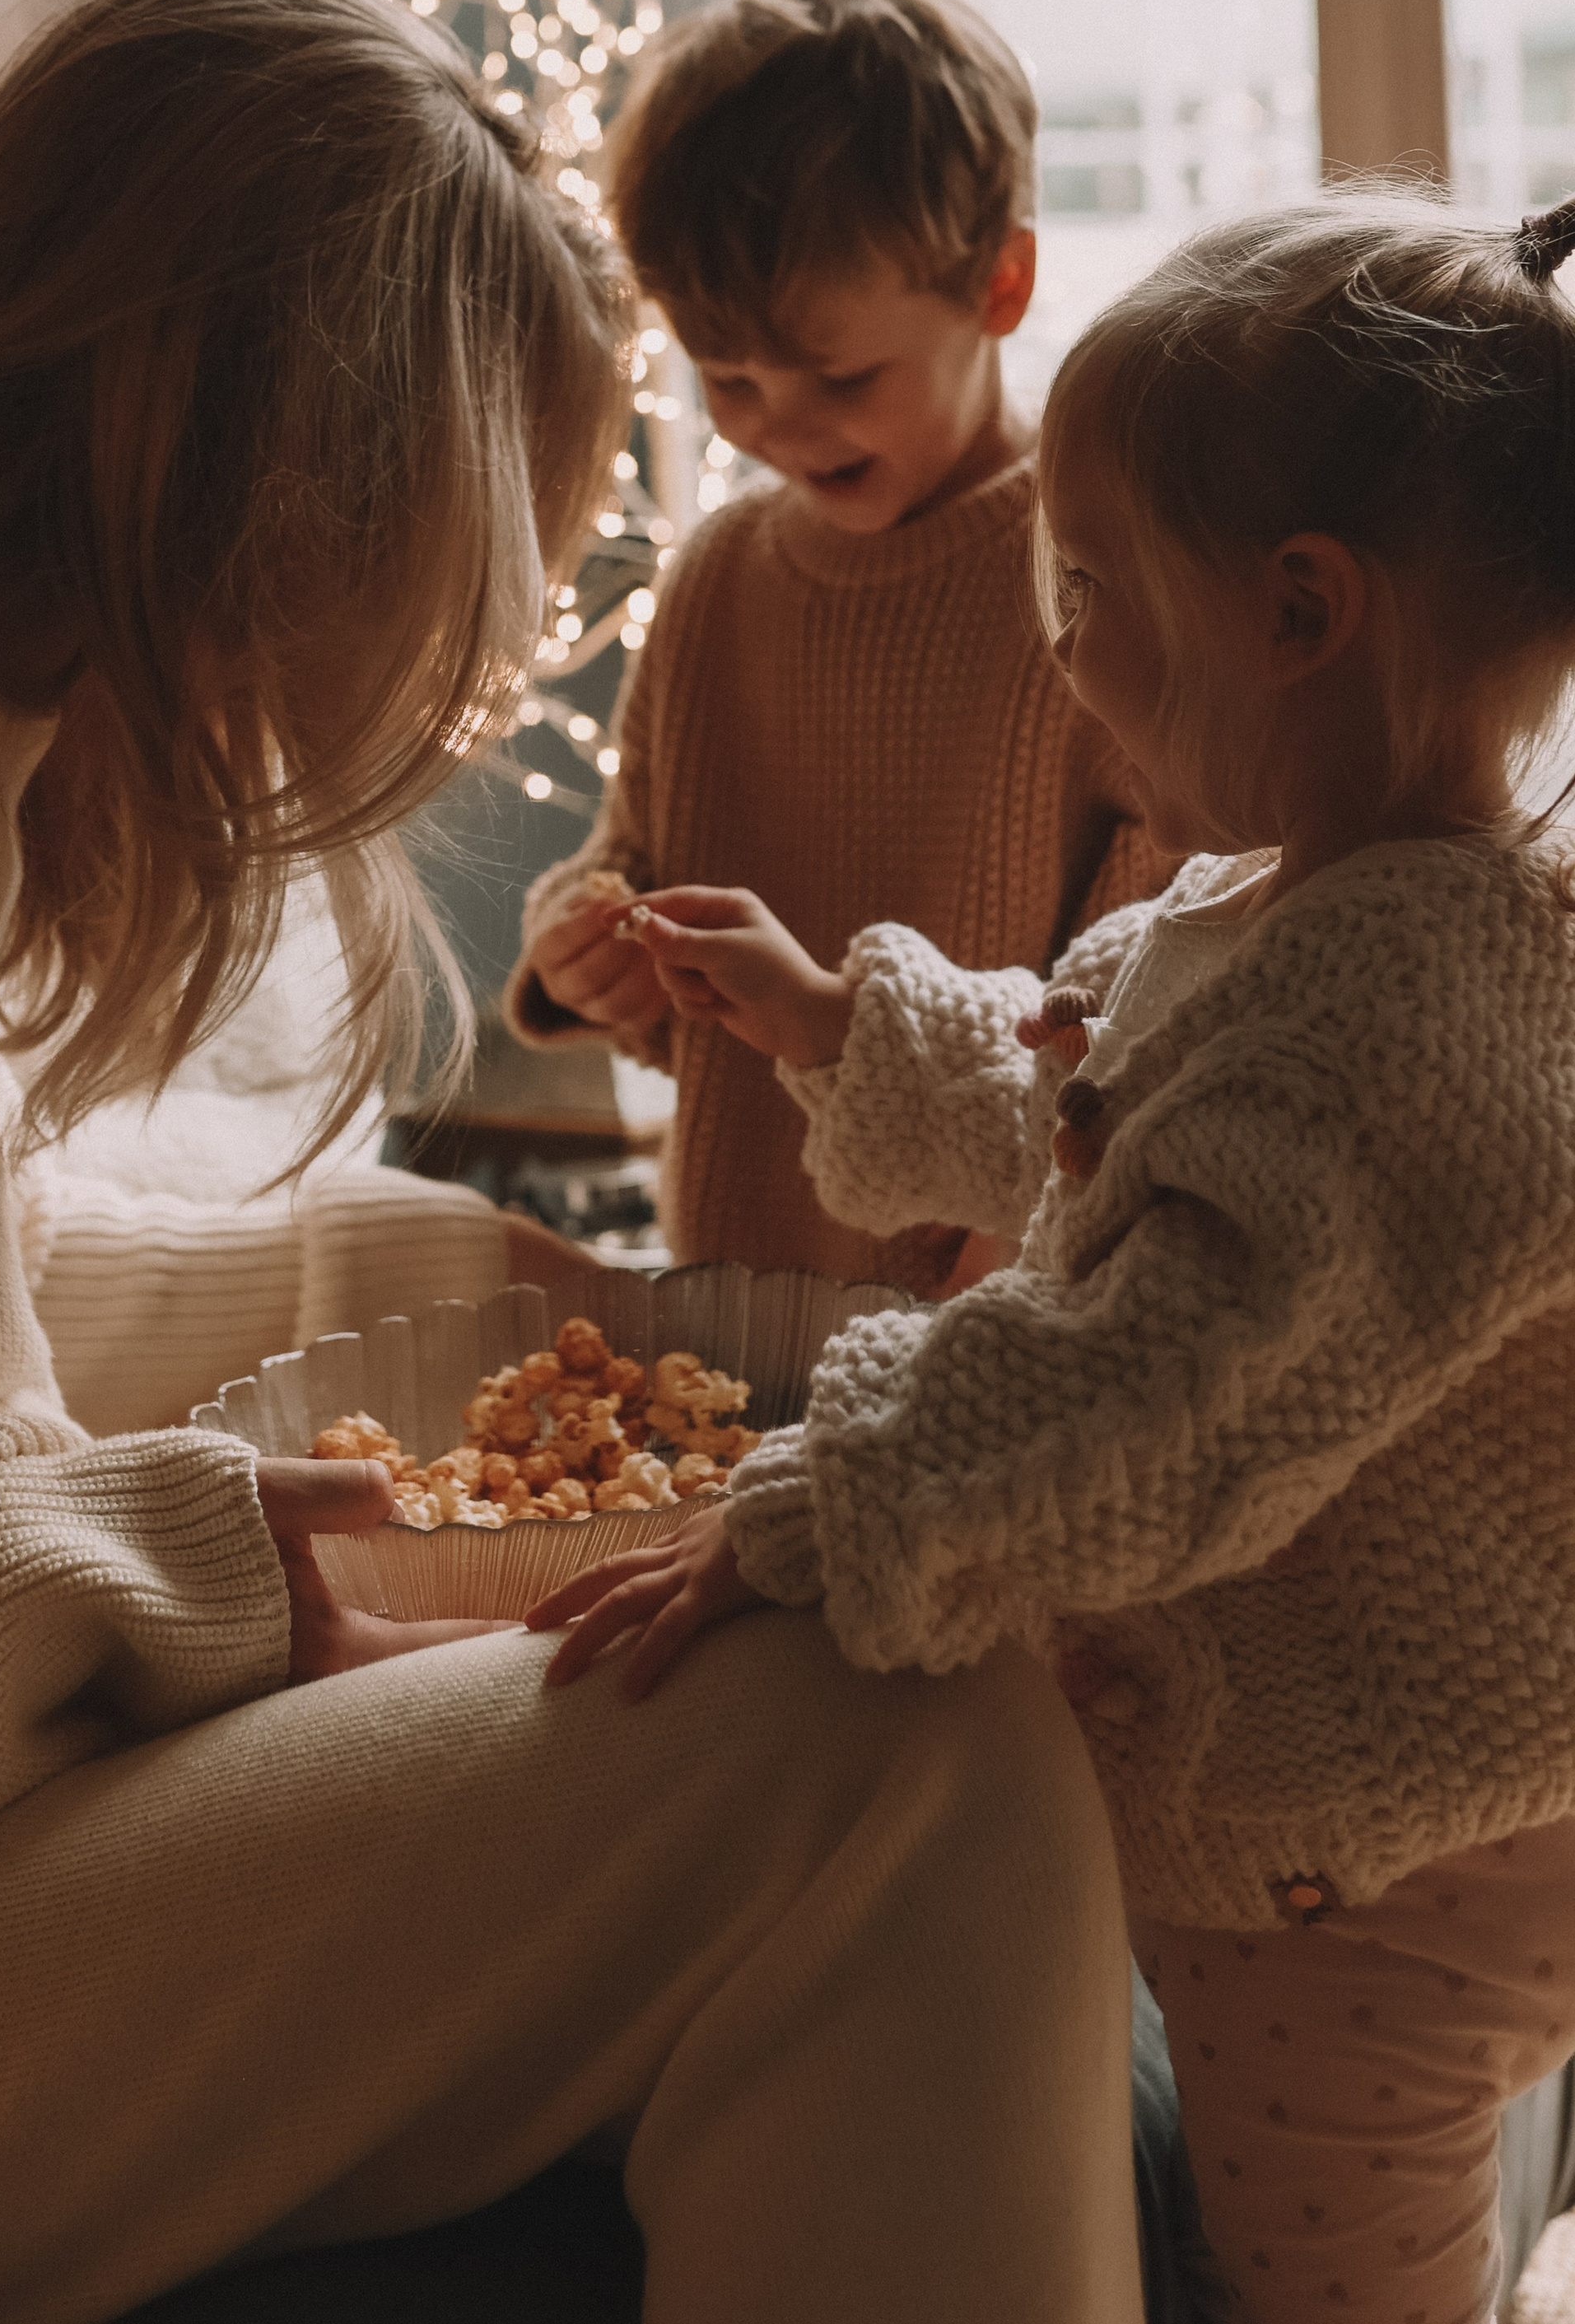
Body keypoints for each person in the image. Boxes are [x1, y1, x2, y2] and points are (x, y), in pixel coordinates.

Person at [0, 0, 1146, 2324]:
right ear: (305, 485)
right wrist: (174, 1583)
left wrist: (421, 1277)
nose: (459, 656)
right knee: (895, 1758)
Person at [535, 197, 1575, 2323]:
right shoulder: (1301, 907)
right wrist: (844, 1017)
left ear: (1300, 609)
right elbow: (1087, 1104)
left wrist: (820, 1504)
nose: (1056, 642)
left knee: (1335, 2283)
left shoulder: (1420, 1006)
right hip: (1357, 1805)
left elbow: (1155, 1393)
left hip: (1376, 1868)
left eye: (1084, 590)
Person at [504, 0, 1170, 1290]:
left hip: (1014, 1292)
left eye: (842, 375)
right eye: (729, 378)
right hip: (741, 1281)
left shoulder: (1105, 569)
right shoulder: (715, 582)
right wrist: (592, 956)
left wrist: (1008, 1239)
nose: (778, 427)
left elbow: (1152, 988)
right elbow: (640, 860)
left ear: (1000, 284)